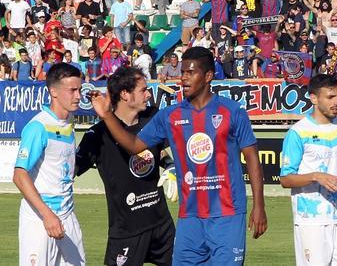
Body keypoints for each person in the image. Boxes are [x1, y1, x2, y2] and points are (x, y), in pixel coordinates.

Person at [89, 47, 268, 264]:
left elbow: (252, 160)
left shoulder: (232, 111)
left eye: (190, 72)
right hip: (189, 217)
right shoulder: (170, 116)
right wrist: (107, 116)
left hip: (227, 215)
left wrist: (259, 206)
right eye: (182, 72)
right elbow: (134, 145)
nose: (183, 78)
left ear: (209, 76)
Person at [76, 67, 175, 265]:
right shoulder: (97, 134)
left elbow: (160, 151)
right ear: (125, 94)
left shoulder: (153, 117)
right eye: (143, 90)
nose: (149, 95)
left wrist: (170, 166)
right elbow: (72, 169)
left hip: (162, 224)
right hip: (127, 230)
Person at [280, 74, 337, 266]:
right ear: (314, 98)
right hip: (311, 220)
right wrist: (316, 176)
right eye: (330, 97)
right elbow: (286, 179)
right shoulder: (298, 132)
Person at [12, 63, 86, 265]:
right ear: (53, 92)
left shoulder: (69, 122)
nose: (78, 95)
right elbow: (19, 175)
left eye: (79, 89)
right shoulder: (38, 127)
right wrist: (47, 216)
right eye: (72, 90)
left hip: (67, 214)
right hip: (40, 218)